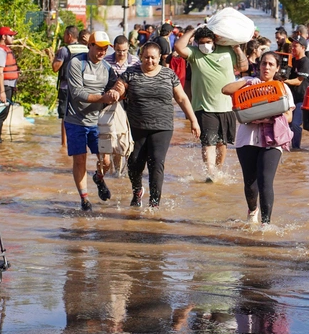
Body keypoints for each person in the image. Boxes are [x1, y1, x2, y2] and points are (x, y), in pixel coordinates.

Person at [113, 42, 200, 207]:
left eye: (153, 58)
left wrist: (193, 121)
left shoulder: (169, 74)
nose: (150, 61)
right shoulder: (131, 73)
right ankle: (137, 191)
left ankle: (154, 203)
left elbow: (181, 98)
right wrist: (116, 91)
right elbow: (120, 88)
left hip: (162, 126)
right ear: (141, 57)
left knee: (156, 162)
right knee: (134, 162)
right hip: (136, 126)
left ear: (159, 58)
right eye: (146, 57)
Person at [222, 52, 295, 224]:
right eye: (264, 63)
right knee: (250, 183)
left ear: (277, 68)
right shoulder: (248, 83)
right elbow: (225, 90)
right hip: (247, 139)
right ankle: (252, 209)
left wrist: (270, 118)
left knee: (265, 181)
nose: (267, 67)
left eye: (271, 64)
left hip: (273, 139)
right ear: (259, 65)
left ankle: (266, 224)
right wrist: (247, 82)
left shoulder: (282, 88)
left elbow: (289, 115)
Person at [173, 26, 248, 181]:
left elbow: (243, 67)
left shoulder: (227, 51)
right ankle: (211, 172)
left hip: (227, 106)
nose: (205, 45)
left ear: (214, 41)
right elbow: (179, 47)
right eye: (201, 42)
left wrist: (238, 50)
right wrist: (193, 30)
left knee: (222, 143)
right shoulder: (194, 54)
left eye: (207, 42)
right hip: (203, 106)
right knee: (209, 142)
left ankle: (218, 170)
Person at [64, 31, 119, 210]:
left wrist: (118, 91)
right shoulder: (76, 63)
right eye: (99, 47)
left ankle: (99, 178)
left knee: (106, 161)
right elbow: (77, 93)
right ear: (90, 45)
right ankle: (84, 199)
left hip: (98, 122)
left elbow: (116, 85)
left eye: (105, 49)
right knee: (80, 159)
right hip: (75, 120)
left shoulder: (107, 68)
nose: (102, 52)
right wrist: (103, 98)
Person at [102, 35, 139, 175]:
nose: (121, 54)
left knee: (129, 137)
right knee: (115, 136)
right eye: (118, 51)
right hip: (112, 105)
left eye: (124, 50)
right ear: (113, 48)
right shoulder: (106, 61)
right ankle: (117, 171)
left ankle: (128, 170)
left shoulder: (135, 61)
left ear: (128, 48)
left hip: (130, 104)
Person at [52, 26, 89, 146]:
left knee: (65, 117)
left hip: (66, 88)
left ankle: (64, 145)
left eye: (64, 35)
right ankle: (82, 143)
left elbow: (55, 68)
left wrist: (55, 55)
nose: (63, 37)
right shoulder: (86, 49)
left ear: (69, 35)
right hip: (83, 87)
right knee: (82, 116)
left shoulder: (64, 50)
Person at [0, 26, 19, 143]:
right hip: (1, 86)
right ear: (3, 36)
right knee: (0, 115)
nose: (13, 37)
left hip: (7, 85)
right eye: (11, 35)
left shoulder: (4, 49)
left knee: (3, 114)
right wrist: (2, 92)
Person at [283, 37, 309, 149]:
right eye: (292, 46)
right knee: (287, 123)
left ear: (303, 48)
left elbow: (298, 81)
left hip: (303, 99)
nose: (293, 48)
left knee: (295, 124)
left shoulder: (305, 62)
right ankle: (287, 147)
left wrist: (284, 81)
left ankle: (296, 148)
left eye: (295, 46)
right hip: (292, 98)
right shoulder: (293, 60)